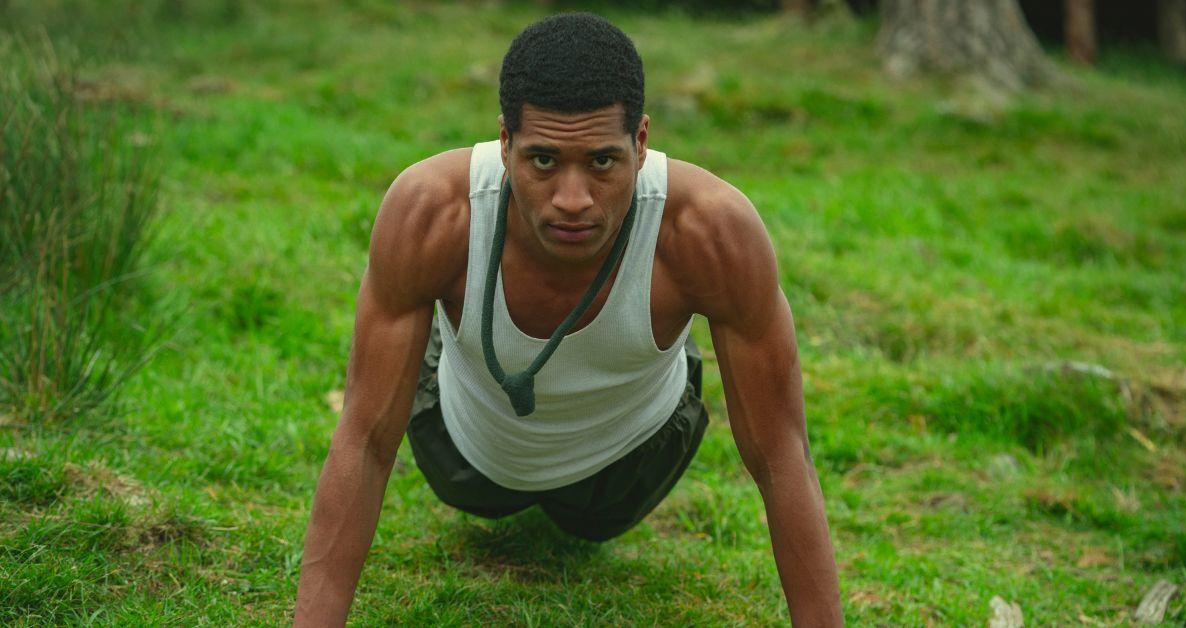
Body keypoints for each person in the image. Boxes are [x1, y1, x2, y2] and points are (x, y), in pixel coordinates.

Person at [294, 12, 842, 627]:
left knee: (601, 502)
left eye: (603, 162)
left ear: (641, 142)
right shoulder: (434, 211)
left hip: (630, 465)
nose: (573, 199)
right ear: (504, 143)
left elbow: (781, 453)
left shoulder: (710, 230)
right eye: (544, 161)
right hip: (463, 453)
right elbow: (365, 439)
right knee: (442, 387)